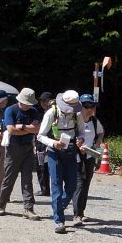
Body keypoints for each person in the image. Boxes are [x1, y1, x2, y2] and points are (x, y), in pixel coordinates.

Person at [38, 90, 82, 234]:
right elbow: (40, 135)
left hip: (71, 152)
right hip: (54, 153)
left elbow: (81, 132)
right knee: (56, 185)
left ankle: (57, 208)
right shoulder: (51, 113)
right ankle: (59, 221)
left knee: (72, 186)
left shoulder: (77, 114)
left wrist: (81, 140)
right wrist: (53, 143)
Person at [0, 88, 41, 219]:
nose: (28, 105)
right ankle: (1, 205)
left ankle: (28, 209)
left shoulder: (34, 111)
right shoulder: (11, 110)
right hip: (13, 147)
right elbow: (11, 129)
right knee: (9, 178)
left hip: (28, 147)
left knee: (28, 179)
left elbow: (37, 129)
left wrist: (22, 127)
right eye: (27, 103)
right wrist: (28, 129)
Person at [71, 93, 105, 226]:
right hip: (76, 155)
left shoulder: (94, 121)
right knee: (79, 183)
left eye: (92, 106)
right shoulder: (75, 119)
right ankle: (76, 215)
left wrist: (97, 143)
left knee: (86, 183)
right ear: (80, 106)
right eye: (86, 106)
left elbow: (101, 132)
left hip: (90, 155)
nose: (90, 108)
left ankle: (81, 212)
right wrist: (76, 144)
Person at [35, 91, 54, 196]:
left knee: (44, 166)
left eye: (44, 100)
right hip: (41, 142)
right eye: (41, 100)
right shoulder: (41, 112)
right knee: (41, 165)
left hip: (48, 142)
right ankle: (44, 188)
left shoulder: (53, 113)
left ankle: (45, 189)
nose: (42, 102)